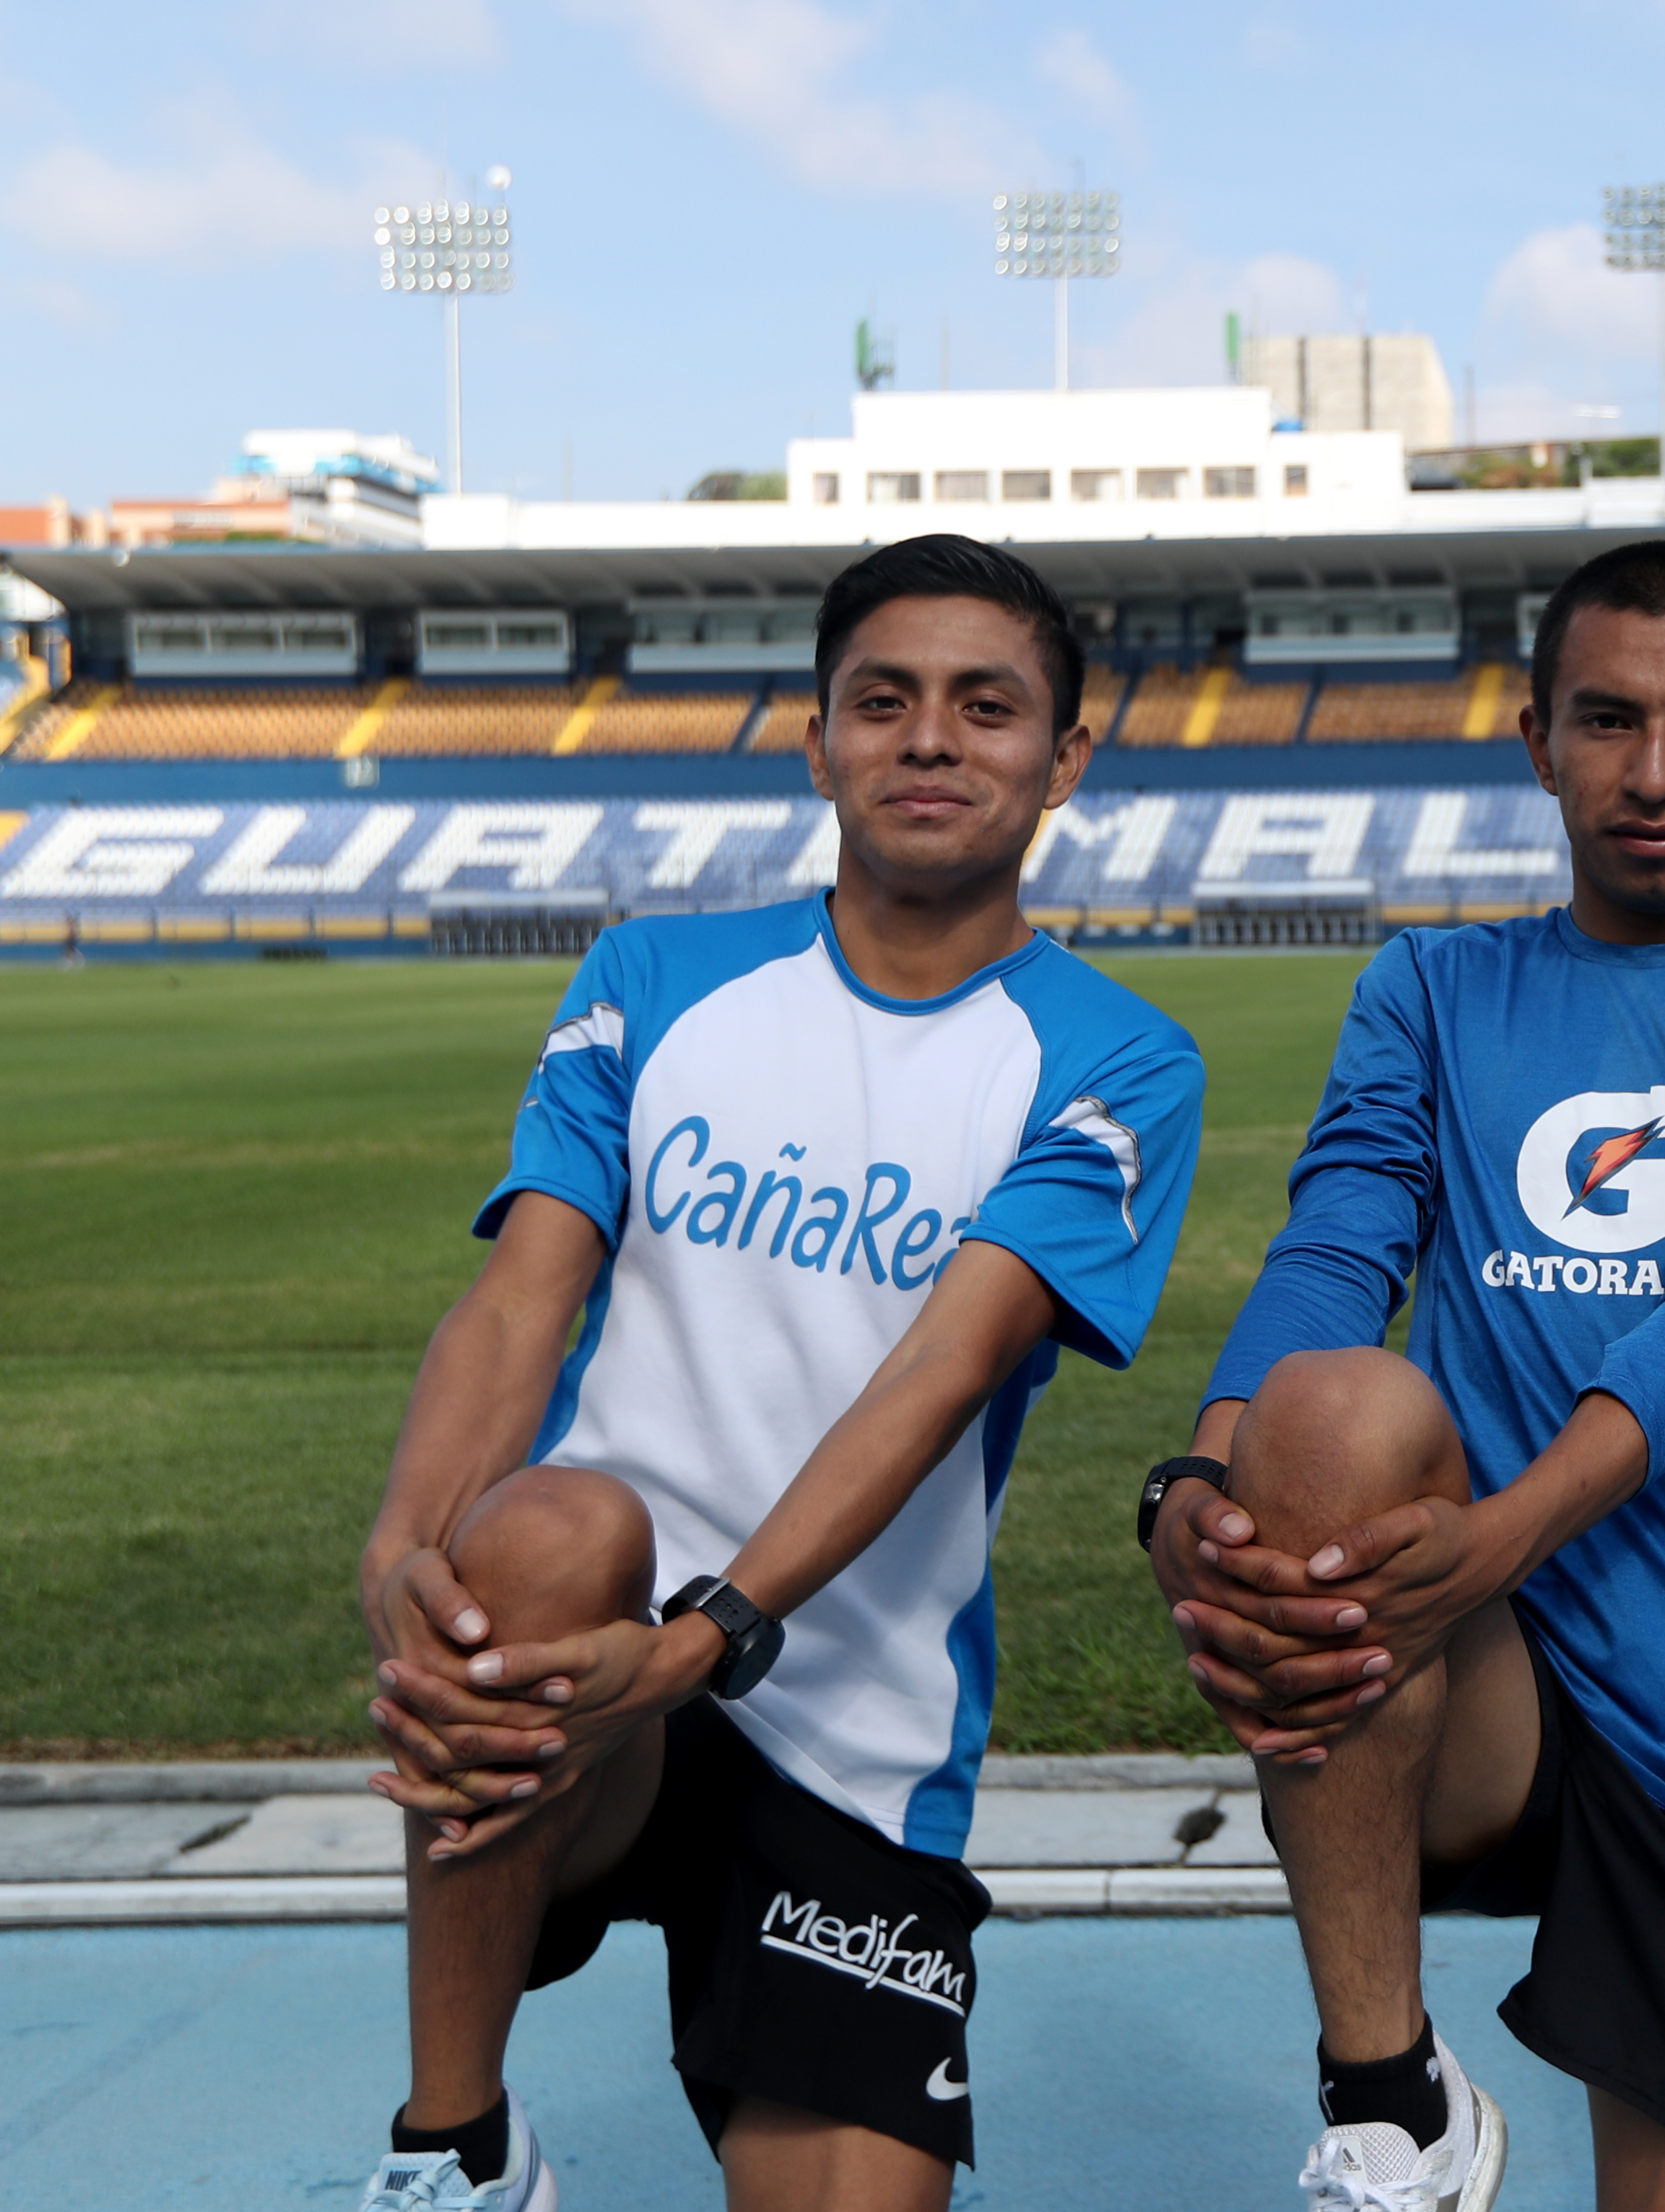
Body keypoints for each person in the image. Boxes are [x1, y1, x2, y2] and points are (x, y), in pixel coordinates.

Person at [351, 533, 1203, 2212]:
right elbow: (525, 1300)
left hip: (842, 1718)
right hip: (577, 1656)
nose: (930, 739)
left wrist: (720, 1628)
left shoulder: (1112, 1057)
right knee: (530, 1533)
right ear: (817, 739)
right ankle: (453, 2140)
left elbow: (944, 1368)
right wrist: (398, 1548)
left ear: (1065, 758)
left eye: (986, 705)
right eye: (881, 701)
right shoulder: (654, 982)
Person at [1146, 539, 1665, 2212]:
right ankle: (1388, 2103)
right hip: (1474, 1674)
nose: (1654, 772)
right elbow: (1338, 1241)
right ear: (1536, 740)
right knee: (1326, 1415)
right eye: (1606, 720)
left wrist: (1508, 1527)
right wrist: (1199, 1479)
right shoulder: (1434, 986)